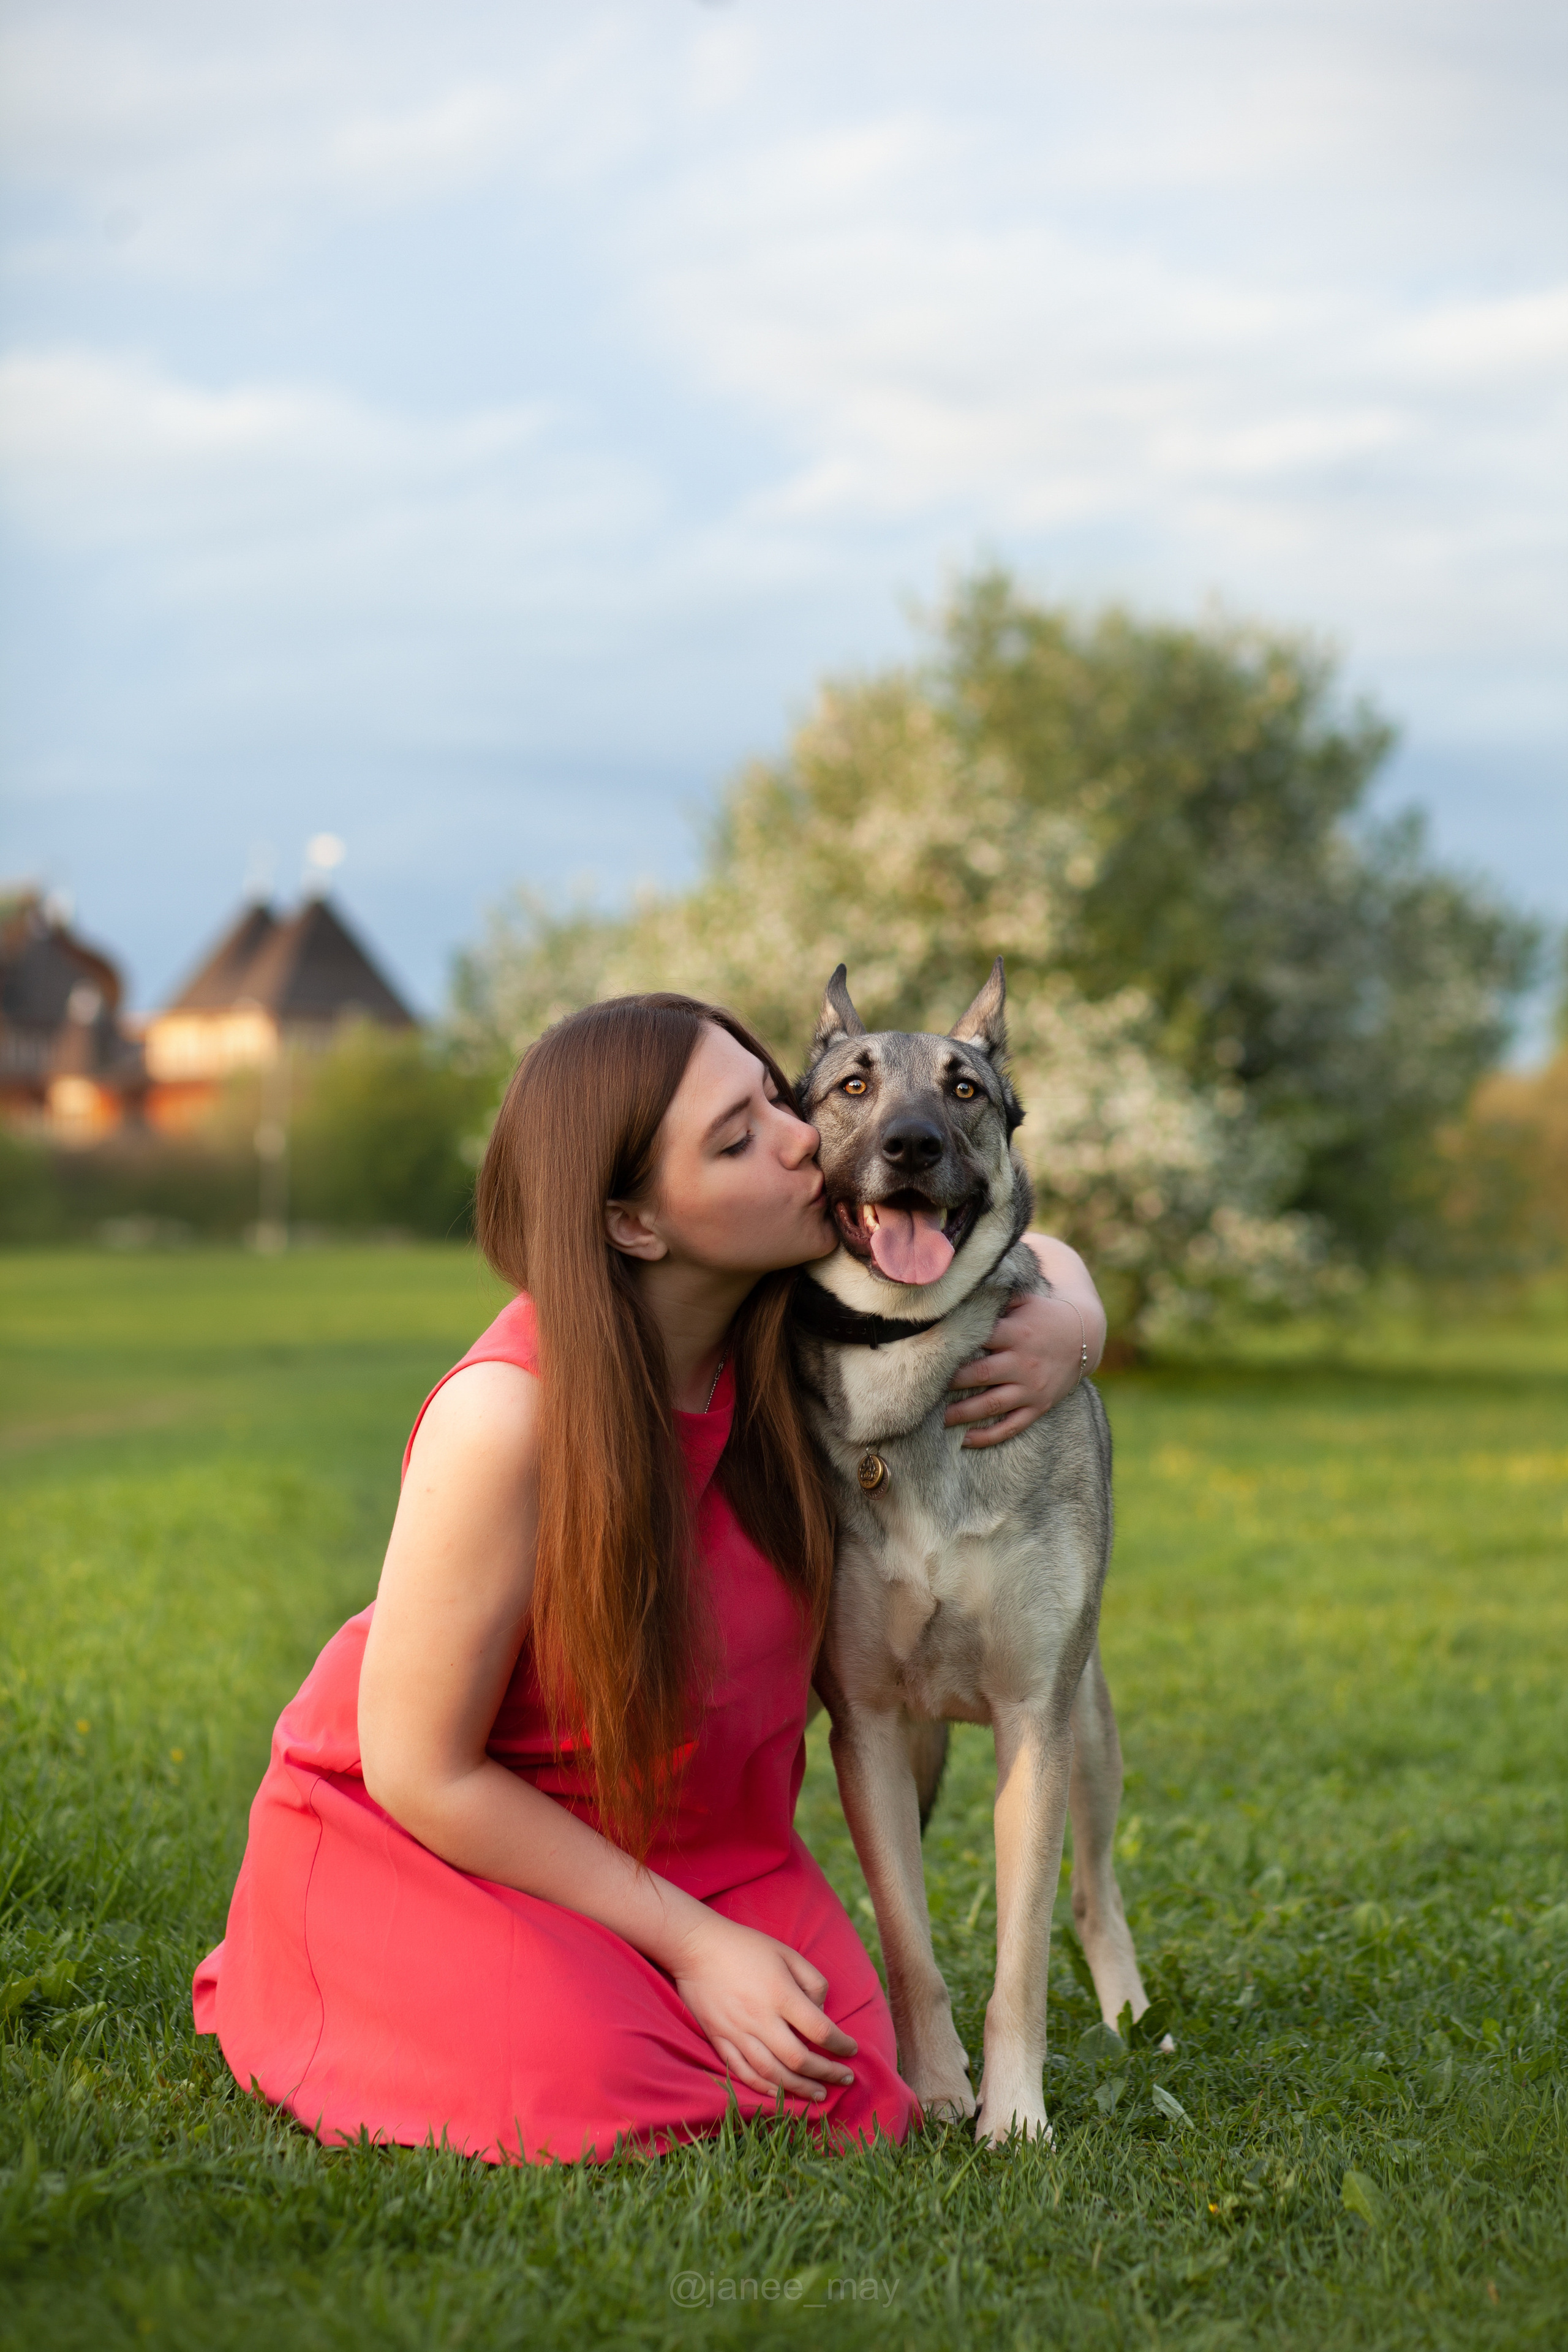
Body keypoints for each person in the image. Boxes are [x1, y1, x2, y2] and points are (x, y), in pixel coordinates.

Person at [193, 993, 1108, 2165]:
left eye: (779, 1097)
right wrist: (695, 1946)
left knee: (849, 2085)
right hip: (451, 1837)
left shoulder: (797, 1326)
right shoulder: (510, 1415)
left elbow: (1031, 1238)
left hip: (702, 1847)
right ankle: (356, 1965)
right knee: (597, 2079)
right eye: (738, 1140)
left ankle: (672, 1956)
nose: (797, 1139)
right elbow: (420, 1765)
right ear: (634, 1224)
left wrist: (1070, 1327)